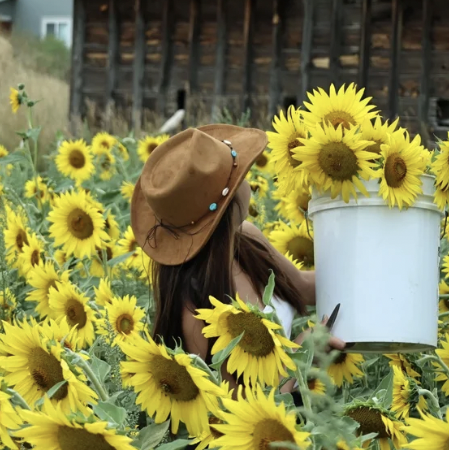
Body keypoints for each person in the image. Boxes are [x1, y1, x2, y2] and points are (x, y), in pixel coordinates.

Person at [130, 124, 344, 390]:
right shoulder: (195, 310)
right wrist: (302, 351)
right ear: (226, 205)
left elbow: (304, 287)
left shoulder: (246, 240)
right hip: (273, 425)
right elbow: (236, 406)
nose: (246, 176)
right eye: (237, 174)